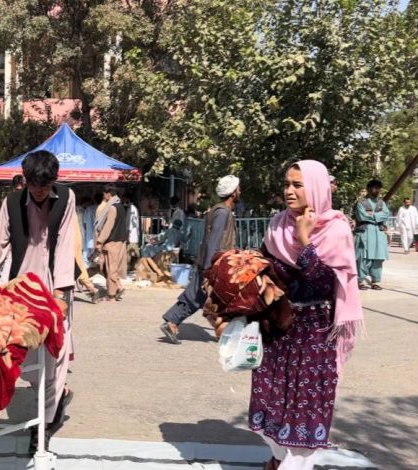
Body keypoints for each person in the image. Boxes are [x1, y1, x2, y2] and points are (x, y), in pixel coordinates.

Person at [253, 160, 363, 470]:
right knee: (270, 400)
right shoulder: (277, 224)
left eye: (297, 185)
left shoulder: (336, 229)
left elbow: (325, 283)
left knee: (305, 409)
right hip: (278, 330)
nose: (289, 191)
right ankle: (278, 458)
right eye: (287, 184)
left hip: (315, 335)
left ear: (315, 188)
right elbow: (265, 268)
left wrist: (305, 241)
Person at [0, 150, 76, 453]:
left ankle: (45, 424)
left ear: (54, 181)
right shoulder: (12, 203)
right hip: (20, 286)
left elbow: (65, 243)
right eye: (34, 184)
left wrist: (61, 293)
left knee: (55, 354)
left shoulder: (66, 198)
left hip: (54, 285)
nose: (39, 190)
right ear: (25, 180)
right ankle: (49, 397)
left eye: (45, 185)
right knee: (16, 348)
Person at [160, 175, 240, 344]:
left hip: (212, 262)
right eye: (238, 189)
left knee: (198, 295)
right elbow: (214, 239)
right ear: (233, 192)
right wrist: (209, 268)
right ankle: (226, 333)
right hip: (214, 264)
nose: (240, 192)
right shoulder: (222, 213)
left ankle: (173, 322)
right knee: (214, 297)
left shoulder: (220, 210)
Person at [353, 179, 390, 290]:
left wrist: (372, 215)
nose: (377, 190)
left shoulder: (381, 203)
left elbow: (386, 214)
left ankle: (375, 281)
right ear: (369, 189)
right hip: (366, 232)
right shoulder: (361, 203)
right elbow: (362, 216)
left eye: (378, 188)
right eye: (375, 188)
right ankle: (361, 281)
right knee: (363, 257)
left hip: (379, 232)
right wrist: (378, 216)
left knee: (378, 258)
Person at [95, 185, 128, 301]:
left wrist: (100, 241)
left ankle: (112, 295)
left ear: (109, 194)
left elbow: (108, 226)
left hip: (112, 242)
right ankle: (118, 287)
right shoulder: (120, 206)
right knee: (109, 267)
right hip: (119, 240)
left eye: (104, 194)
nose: (103, 196)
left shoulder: (112, 208)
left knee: (111, 269)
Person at [122, 193, 141, 272]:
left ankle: (129, 268)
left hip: (131, 235)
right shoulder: (133, 208)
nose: (123, 201)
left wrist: (127, 235)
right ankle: (134, 268)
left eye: (124, 199)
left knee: (130, 254)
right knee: (134, 254)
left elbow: (130, 224)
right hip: (133, 235)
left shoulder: (131, 209)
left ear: (128, 199)